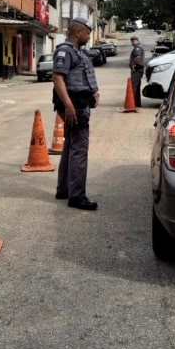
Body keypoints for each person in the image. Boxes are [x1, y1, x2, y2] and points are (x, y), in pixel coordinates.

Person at [52, 16, 100, 211]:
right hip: (75, 107)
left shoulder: (77, 52)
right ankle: (77, 196)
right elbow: (57, 78)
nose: (89, 37)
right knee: (79, 149)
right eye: (87, 33)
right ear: (78, 33)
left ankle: (64, 189)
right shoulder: (65, 51)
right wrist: (69, 105)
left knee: (70, 146)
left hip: (78, 104)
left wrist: (94, 91)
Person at [128, 35, 145, 107]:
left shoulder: (137, 48)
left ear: (138, 40)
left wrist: (133, 65)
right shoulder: (137, 48)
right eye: (132, 40)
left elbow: (137, 57)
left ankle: (133, 103)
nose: (133, 42)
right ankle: (137, 103)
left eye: (135, 40)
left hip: (137, 69)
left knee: (134, 86)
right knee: (137, 87)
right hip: (138, 69)